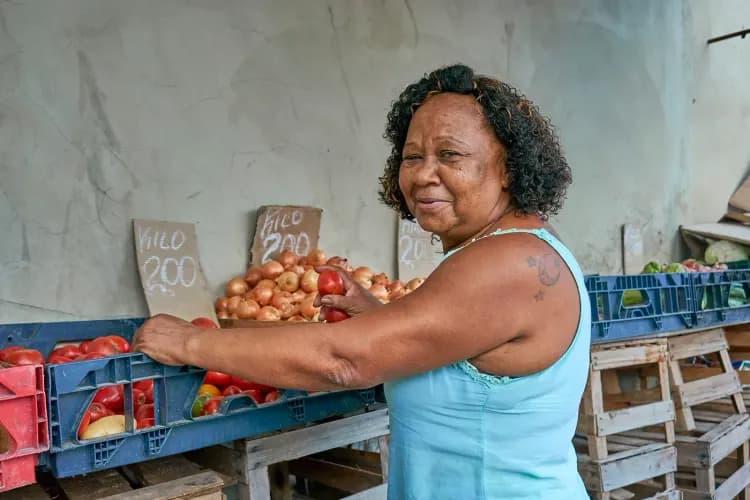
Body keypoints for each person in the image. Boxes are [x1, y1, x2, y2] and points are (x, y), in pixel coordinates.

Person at [134, 63, 591, 499]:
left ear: (509, 167)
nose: (424, 174)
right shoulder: (517, 247)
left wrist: (190, 344)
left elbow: (344, 361)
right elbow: (461, 352)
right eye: (413, 156)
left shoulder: (508, 261)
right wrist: (381, 318)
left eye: (450, 155)